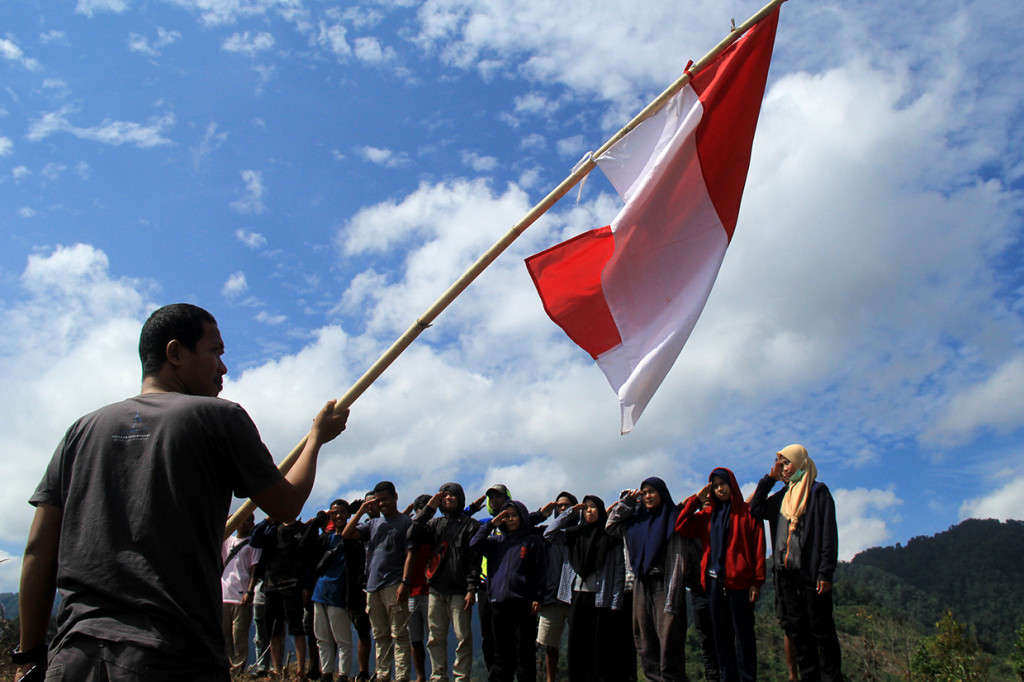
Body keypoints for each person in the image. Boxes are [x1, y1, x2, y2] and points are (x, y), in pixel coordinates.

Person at [15, 303, 348, 682]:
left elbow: (39, 550)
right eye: (215, 352)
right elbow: (286, 505)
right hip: (172, 656)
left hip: (72, 657)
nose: (223, 368)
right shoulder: (219, 417)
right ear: (175, 353)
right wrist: (317, 439)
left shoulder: (81, 431)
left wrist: (29, 655)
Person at [749, 444, 842, 682]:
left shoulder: (818, 492)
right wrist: (769, 479)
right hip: (786, 575)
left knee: (821, 630)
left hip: (812, 574)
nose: (784, 468)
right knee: (799, 632)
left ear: (800, 463)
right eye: (780, 463)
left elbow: (828, 535)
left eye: (787, 462)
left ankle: (832, 677)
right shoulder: (781, 497)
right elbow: (755, 509)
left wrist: (825, 572)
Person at [676, 468, 766, 682]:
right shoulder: (707, 515)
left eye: (722, 484)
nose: (719, 489)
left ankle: (747, 678)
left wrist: (757, 582)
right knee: (722, 639)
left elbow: (758, 548)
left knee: (744, 638)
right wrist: (697, 499)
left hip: (741, 586)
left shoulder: (747, 512)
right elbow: (680, 525)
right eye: (715, 486)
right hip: (714, 586)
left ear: (731, 484)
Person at [606, 477, 695, 682]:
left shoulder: (672, 518)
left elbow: (678, 558)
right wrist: (628, 501)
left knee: (669, 638)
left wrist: (674, 594)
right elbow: (610, 525)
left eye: (651, 492)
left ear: (662, 493)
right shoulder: (636, 522)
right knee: (644, 638)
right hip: (640, 583)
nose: (647, 496)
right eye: (644, 492)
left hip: (665, 582)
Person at [544, 495, 625, 682]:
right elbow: (549, 533)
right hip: (577, 597)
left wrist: (615, 602)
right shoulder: (574, 534)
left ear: (601, 510)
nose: (589, 510)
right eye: (586, 507)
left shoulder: (610, 537)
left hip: (600, 599)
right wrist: (570, 512)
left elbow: (619, 571)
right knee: (576, 647)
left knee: (598, 648)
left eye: (593, 507)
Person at [407, 482, 482, 682]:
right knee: (435, 637)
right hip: (435, 588)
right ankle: (438, 676)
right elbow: (412, 533)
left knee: (463, 637)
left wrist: (471, 587)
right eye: (445, 495)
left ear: (461, 498)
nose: (448, 498)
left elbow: (475, 559)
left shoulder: (471, 526)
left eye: (453, 495)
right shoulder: (434, 524)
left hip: (459, 589)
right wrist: (428, 509)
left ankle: (461, 676)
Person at [343, 481, 413, 682]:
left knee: (398, 635)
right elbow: (347, 534)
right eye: (378, 500)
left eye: (385, 499)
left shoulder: (405, 522)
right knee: (380, 635)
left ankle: (401, 677)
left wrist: (405, 582)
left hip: (394, 584)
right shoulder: (373, 524)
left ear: (395, 497)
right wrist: (362, 510)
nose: (382, 503)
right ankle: (382, 675)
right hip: (372, 587)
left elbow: (410, 554)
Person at [471, 500, 547, 682]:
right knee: (501, 651)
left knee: (524, 650)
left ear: (522, 517)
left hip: (524, 602)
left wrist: (538, 596)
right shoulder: (496, 542)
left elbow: (540, 570)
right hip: (498, 602)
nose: (510, 519)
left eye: (514, 515)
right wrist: (491, 524)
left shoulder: (533, 541)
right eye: (507, 516)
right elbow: (474, 544)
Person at [250, 516, 314, 677]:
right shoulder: (272, 529)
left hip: (294, 585)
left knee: (296, 628)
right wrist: (267, 520)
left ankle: (300, 671)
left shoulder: (303, 530)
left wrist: (306, 585)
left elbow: (309, 560)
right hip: (271, 585)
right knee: (273, 630)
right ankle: (277, 669)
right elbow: (254, 540)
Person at [307, 500, 363, 682]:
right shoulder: (325, 538)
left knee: (342, 638)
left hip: (340, 593)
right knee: (322, 636)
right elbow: (304, 547)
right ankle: (327, 673)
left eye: (342, 512)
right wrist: (318, 519)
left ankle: (343, 675)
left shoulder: (354, 538)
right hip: (320, 591)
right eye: (334, 513)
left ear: (349, 514)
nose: (338, 516)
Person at [535, 492, 578, 682]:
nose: (563, 509)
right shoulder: (545, 534)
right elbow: (522, 525)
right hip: (551, 596)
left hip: (577, 595)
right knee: (549, 645)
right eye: (559, 506)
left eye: (567, 505)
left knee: (578, 643)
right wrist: (541, 513)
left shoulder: (581, 532)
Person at [222, 511, 262, 675]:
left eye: (247, 521)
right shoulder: (227, 541)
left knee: (239, 635)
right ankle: (226, 667)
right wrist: (229, 519)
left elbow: (254, 569)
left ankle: (238, 669)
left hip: (241, 596)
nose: (243, 524)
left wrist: (249, 591)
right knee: (224, 635)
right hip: (224, 594)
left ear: (252, 524)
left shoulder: (253, 545)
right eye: (241, 520)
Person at [405, 494, 433, 682]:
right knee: (415, 639)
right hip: (411, 591)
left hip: (431, 592)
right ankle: (420, 677)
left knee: (434, 639)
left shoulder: (436, 531)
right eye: (418, 511)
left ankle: (436, 675)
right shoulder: (408, 531)